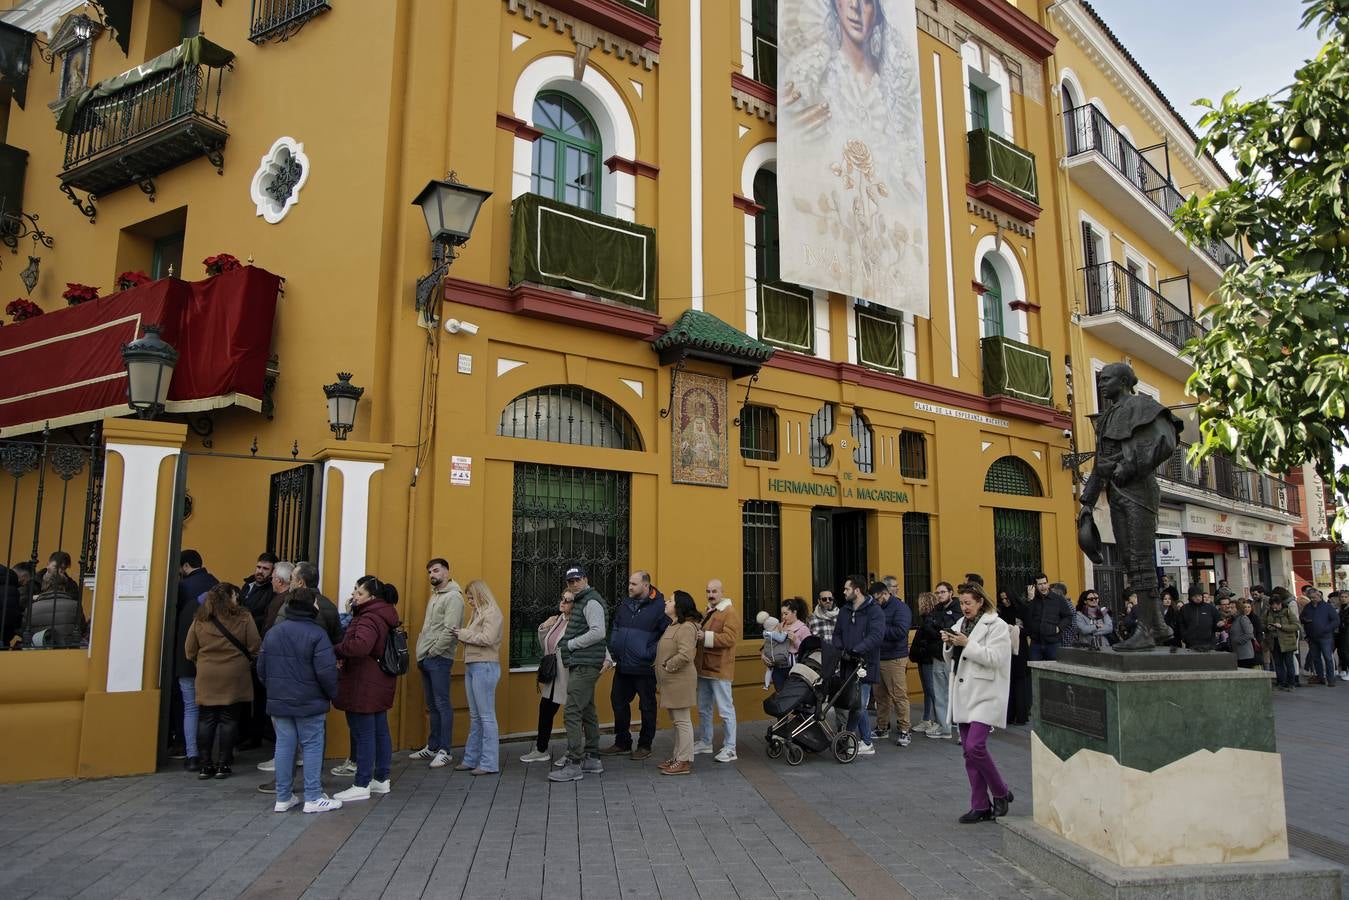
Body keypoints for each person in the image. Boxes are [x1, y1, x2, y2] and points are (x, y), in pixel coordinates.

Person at [257, 587, 341, 814]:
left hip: (280, 699)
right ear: (309, 606)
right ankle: (313, 796)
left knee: (284, 746)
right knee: (312, 745)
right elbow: (326, 672)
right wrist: (332, 693)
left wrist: (274, 688)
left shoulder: (273, 632)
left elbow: (261, 668)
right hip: (309, 700)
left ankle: (283, 797)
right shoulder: (316, 634)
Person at [942, 583, 1013, 824]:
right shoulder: (959, 624)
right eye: (961, 603)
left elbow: (996, 658)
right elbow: (952, 657)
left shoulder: (998, 625)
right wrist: (949, 643)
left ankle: (1001, 791)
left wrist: (966, 644)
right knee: (968, 753)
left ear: (980, 602)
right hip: (963, 692)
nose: (964, 608)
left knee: (975, 747)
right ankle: (980, 805)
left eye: (968, 603)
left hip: (985, 693)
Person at [333, 575, 400, 801]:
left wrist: (338, 650)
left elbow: (361, 646)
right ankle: (381, 779)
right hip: (378, 680)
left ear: (372, 597)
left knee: (363, 733)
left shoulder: (368, 617)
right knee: (379, 730)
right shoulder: (381, 614)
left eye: (359, 593)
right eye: (354, 590)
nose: (354, 595)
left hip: (364, 681)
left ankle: (362, 783)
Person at [185, 583, 260, 779]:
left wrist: (201, 661)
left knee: (206, 719)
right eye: (235, 595)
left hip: (207, 673)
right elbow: (254, 646)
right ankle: (223, 764)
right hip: (234, 674)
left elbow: (190, 649)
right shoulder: (244, 617)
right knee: (229, 719)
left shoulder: (201, 619)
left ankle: (205, 764)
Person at [549, 567, 609, 782]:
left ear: (585, 579)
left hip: (585, 664)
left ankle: (574, 763)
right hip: (583, 663)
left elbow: (598, 632)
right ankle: (593, 759)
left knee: (572, 711)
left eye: (577, 579)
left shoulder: (591, 601)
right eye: (570, 581)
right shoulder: (583, 600)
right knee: (587, 710)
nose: (573, 584)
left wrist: (571, 645)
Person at [603, 571, 667, 760]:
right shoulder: (626, 602)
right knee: (618, 701)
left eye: (634, 584)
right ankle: (622, 742)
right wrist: (614, 643)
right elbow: (616, 624)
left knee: (647, 706)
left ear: (646, 586)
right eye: (629, 583)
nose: (630, 587)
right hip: (623, 664)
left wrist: (649, 652)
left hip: (644, 667)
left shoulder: (660, 606)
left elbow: (666, 635)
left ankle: (645, 745)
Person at [410, 557, 464, 769]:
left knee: (442, 704)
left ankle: (445, 750)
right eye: (430, 572)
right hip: (426, 657)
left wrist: (433, 651)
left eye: (436, 570)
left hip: (439, 658)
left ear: (447, 572)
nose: (432, 575)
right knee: (432, 705)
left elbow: (450, 630)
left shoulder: (453, 597)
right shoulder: (435, 596)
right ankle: (433, 746)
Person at [451, 579, 503, 775]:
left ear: (480, 595)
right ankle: (471, 759)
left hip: (485, 666)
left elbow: (488, 639)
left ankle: (489, 763)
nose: (470, 602)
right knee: (476, 716)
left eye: (472, 597)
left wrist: (463, 634)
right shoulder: (477, 613)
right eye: (468, 598)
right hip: (474, 665)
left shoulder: (492, 613)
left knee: (486, 716)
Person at [833, 578, 885, 757]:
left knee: (859, 704)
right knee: (855, 703)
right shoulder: (845, 610)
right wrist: (841, 649)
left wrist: (857, 650)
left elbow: (876, 636)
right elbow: (837, 633)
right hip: (847, 663)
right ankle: (864, 740)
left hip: (865, 664)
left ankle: (854, 738)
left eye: (847, 589)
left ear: (857, 591)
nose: (844, 592)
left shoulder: (874, 611)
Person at [692, 578, 741, 763]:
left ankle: (730, 748)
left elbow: (730, 639)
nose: (710, 595)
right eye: (708, 591)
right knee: (704, 708)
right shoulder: (710, 611)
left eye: (714, 591)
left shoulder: (729, 612)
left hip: (720, 669)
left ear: (722, 592)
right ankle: (705, 742)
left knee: (725, 710)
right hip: (705, 668)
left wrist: (705, 636)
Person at [522, 591, 573, 763]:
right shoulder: (559, 619)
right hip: (553, 675)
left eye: (567, 600)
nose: (563, 602)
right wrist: (544, 626)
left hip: (568, 675)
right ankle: (541, 749)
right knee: (545, 710)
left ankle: (573, 752)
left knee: (572, 715)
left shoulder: (577, 623)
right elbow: (548, 644)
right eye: (562, 598)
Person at [655, 590, 700, 776]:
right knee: (677, 721)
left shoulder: (687, 627)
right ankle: (677, 757)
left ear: (678, 606)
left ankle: (684, 760)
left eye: (671, 600)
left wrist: (668, 666)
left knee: (682, 721)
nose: (666, 602)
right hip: (671, 682)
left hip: (679, 681)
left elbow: (686, 654)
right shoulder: (674, 625)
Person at [874, 576, 913, 746]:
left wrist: (878, 630)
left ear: (885, 593)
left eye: (877, 598)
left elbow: (901, 631)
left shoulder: (901, 608)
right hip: (878, 657)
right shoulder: (876, 607)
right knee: (880, 696)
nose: (876, 602)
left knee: (899, 696)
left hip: (895, 658)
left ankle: (905, 729)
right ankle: (882, 727)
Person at [924, 582, 960, 739]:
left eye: (943, 592)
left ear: (950, 592)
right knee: (939, 693)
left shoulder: (959, 608)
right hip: (937, 655)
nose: (940, 595)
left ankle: (961, 730)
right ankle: (945, 728)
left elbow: (951, 628)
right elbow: (927, 625)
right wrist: (938, 627)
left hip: (952, 656)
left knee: (956, 693)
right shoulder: (936, 609)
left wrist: (937, 625)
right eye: (937, 593)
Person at [22, 573, 87, 648]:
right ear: (64, 586)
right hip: (67, 651)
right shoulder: (75, 605)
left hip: (39, 652)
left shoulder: (31, 608)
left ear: (44, 586)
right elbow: (82, 629)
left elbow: (25, 632)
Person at [996, 588, 1031, 725]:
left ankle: (1021, 715)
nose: (1005, 601)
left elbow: (1030, 630)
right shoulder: (1000, 611)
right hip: (1005, 649)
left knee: (1020, 682)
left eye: (1007, 598)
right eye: (1002, 599)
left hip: (1020, 649)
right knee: (1007, 681)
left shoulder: (1023, 609)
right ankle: (1009, 715)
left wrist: (1016, 630)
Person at [909, 591, 941, 734]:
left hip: (927, 658)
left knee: (930, 689)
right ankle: (927, 718)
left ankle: (938, 720)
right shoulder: (928, 619)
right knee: (928, 690)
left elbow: (932, 638)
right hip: (925, 657)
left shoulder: (930, 620)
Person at [1027, 574, 1073, 660]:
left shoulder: (1058, 599)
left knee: (1054, 669)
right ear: (1035, 586)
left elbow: (1068, 616)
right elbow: (1027, 617)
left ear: (1048, 584)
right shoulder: (1032, 600)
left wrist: (1059, 627)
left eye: (1045, 583)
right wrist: (1030, 600)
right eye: (1040, 584)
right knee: (1034, 670)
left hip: (1053, 643)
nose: (1043, 586)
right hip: (1036, 642)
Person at [1300, 588, 1340, 687]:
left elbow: (1335, 621)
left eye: (1314, 597)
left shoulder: (1327, 607)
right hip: (1312, 637)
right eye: (1310, 598)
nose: (1312, 599)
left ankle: (1331, 679)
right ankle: (1320, 677)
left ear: (1319, 596)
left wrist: (1326, 629)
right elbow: (1301, 618)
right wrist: (1305, 620)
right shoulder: (1308, 607)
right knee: (1316, 658)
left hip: (1325, 637)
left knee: (1328, 658)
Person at [1178, 584, 1220, 650]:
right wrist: (1185, 637)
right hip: (1191, 643)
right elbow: (1181, 624)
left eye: (1200, 596)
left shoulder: (1210, 608)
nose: (1198, 598)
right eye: (1195, 596)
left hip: (1209, 642)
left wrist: (1219, 626)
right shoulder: (1185, 609)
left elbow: (1217, 622)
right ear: (1190, 597)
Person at [1229, 599, 1258, 669]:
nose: (1230, 609)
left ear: (1238, 609)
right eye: (1229, 607)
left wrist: (1237, 641)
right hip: (1237, 653)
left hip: (1245, 654)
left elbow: (1249, 634)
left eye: (1232, 607)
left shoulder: (1243, 618)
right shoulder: (1234, 619)